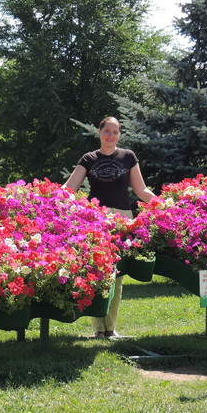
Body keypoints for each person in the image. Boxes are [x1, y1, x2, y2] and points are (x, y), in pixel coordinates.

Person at [63, 116, 156, 338]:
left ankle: (111, 328)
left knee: (118, 274)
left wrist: (165, 204)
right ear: (99, 131)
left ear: (119, 135)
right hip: (95, 220)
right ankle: (98, 329)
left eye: (115, 132)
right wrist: (47, 198)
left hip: (122, 220)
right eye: (107, 131)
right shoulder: (88, 158)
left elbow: (141, 190)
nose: (111, 136)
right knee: (97, 272)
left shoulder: (128, 157)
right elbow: (69, 189)